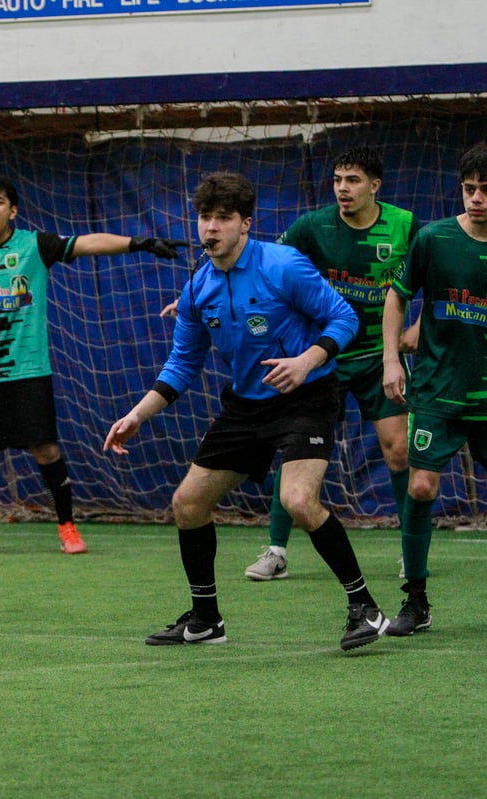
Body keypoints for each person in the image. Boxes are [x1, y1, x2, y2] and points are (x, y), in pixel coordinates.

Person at [104, 171, 389, 652]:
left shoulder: (284, 266)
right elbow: (181, 365)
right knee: (187, 503)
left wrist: (307, 360)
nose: (211, 228)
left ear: (246, 224)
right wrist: (137, 415)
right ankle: (206, 618)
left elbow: (345, 317)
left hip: (307, 396)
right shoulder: (197, 290)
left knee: (299, 500)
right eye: (204, 218)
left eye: (223, 218)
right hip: (246, 407)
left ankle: (365, 607)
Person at [0, 175, 187, 556]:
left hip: (28, 370)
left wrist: (141, 242)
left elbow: (86, 244)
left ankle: (67, 528)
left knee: (45, 449)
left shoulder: (33, 244)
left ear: (11, 211)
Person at [244, 147, 422, 581]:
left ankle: (410, 550)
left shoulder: (404, 225)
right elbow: (268, 264)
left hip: (381, 356)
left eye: (354, 180)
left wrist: (415, 331)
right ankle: (275, 550)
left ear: (375, 186)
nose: (343, 188)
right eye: (338, 179)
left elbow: (432, 281)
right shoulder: (313, 226)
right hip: (322, 355)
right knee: (296, 450)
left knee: (399, 449)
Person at [381, 141, 487, 635]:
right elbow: (397, 298)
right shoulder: (434, 239)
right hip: (437, 389)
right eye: (470, 189)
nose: (477, 198)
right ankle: (416, 602)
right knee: (421, 486)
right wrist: (390, 359)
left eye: (486, 190)